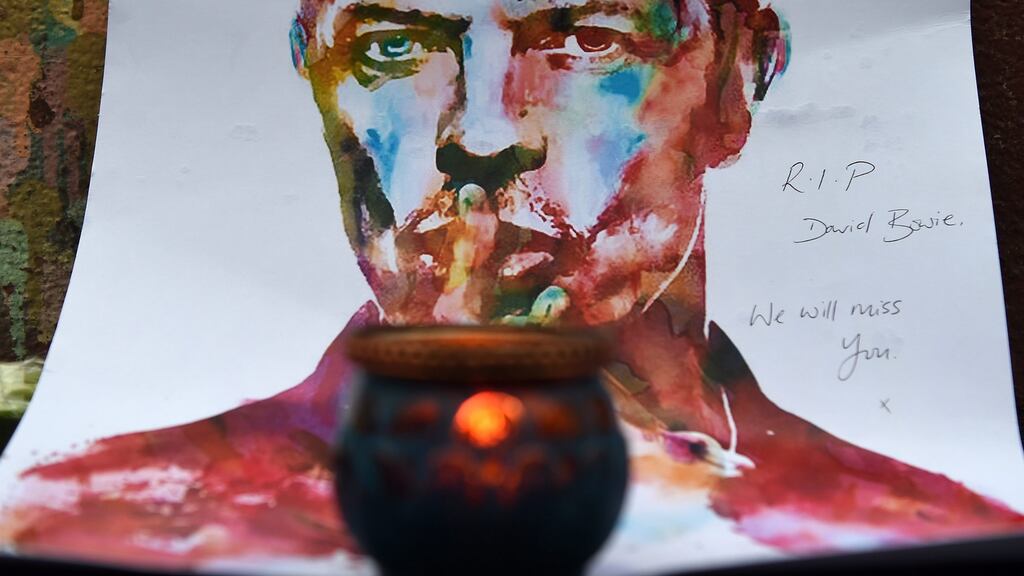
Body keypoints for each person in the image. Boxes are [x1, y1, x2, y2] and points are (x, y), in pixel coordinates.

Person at [3, 0, 1023, 568]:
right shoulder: (92, 525)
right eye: (394, 47)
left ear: (735, 81)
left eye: (587, 42)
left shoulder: (918, 527)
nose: (482, 135)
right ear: (319, 82)